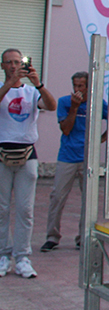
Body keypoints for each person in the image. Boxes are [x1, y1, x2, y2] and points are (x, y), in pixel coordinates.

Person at [41, 71, 109, 252]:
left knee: (88, 199)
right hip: (67, 156)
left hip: (88, 157)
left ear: (88, 87)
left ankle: (83, 237)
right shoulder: (64, 102)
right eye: (75, 86)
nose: (77, 89)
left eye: (81, 86)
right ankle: (52, 236)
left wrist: (104, 137)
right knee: (57, 196)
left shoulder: (97, 103)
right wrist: (74, 108)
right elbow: (66, 129)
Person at [0, 49, 57, 279]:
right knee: (2, 208)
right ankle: (3, 255)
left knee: (25, 209)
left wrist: (38, 83)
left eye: (18, 62)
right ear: (3, 66)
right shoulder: (2, 89)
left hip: (27, 154)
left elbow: (51, 106)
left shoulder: (32, 92)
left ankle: (23, 257)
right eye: (9, 63)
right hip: (2, 153)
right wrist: (10, 84)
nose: (14, 66)